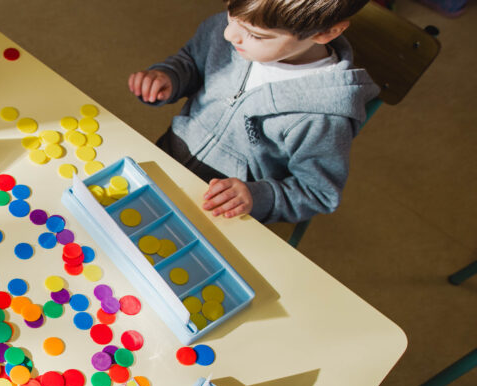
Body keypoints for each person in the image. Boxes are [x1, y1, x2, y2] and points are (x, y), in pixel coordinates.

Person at [128, 0, 379, 224]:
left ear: (325, 32)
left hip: (219, 212)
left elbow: (318, 192)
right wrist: (170, 76)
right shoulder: (237, 25)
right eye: (230, 11)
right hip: (165, 158)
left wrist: (257, 196)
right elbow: (192, 60)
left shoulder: (323, 116)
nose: (229, 34)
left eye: (256, 35)